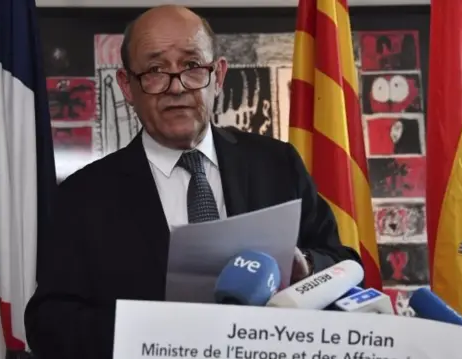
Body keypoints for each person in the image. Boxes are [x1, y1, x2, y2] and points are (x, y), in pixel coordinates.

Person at [24, 5, 361, 359]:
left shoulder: (278, 165)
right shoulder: (83, 196)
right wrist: (155, 331)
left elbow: (346, 266)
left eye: (191, 66)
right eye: (155, 70)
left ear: (218, 75)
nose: (176, 87)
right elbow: (48, 323)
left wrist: (302, 265)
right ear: (127, 85)